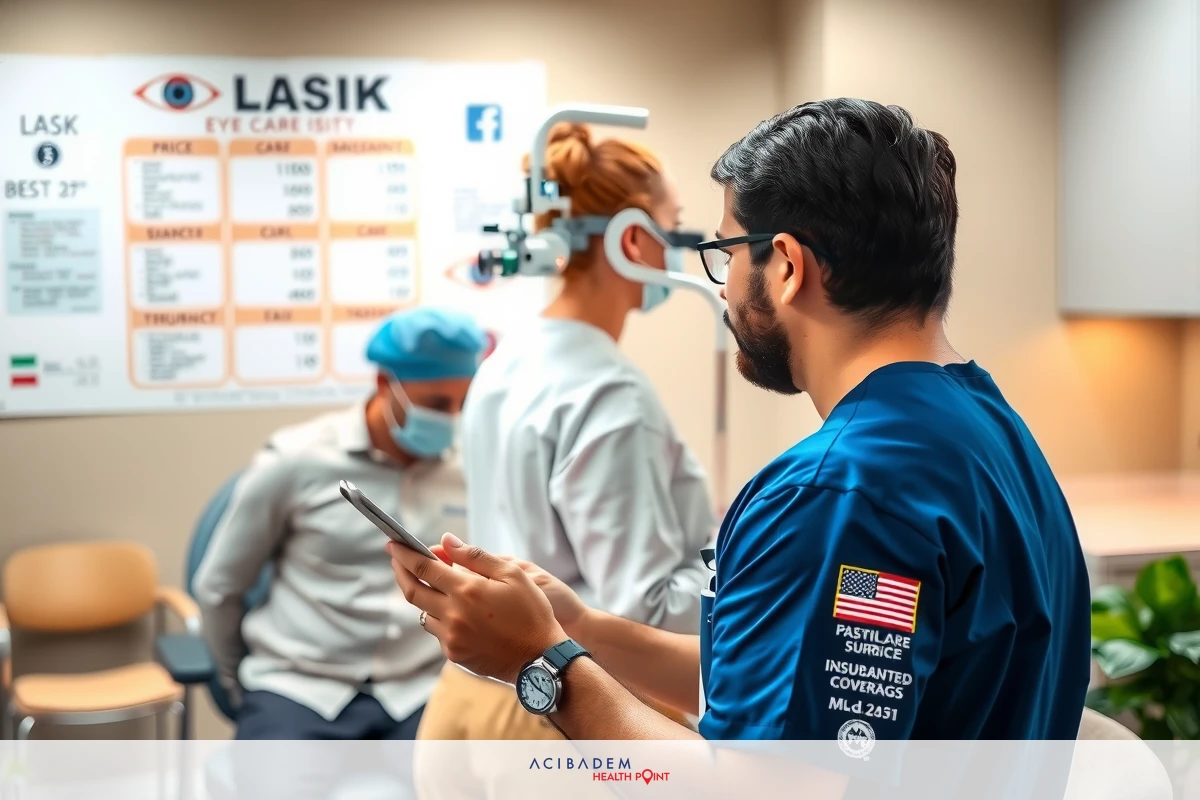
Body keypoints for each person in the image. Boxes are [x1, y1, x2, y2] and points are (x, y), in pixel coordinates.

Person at [389, 100, 1092, 746]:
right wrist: (577, 629)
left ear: (785, 265)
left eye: (725, 253)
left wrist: (543, 666)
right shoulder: (991, 430)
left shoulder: (832, 495)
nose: (720, 285)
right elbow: (790, 694)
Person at [414, 122, 715, 741]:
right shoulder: (610, 392)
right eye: (674, 224)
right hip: (559, 702)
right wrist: (732, 567)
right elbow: (642, 610)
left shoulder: (503, 363)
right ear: (634, 239)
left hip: (469, 697)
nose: (680, 248)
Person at [193, 305, 487, 746]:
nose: (451, 419)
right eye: (437, 404)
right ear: (386, 384)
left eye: (462, 403)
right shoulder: (297, 460)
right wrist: (241, 688)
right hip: (298, 687)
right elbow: (219, 587)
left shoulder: (471, 470)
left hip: (421, 690)